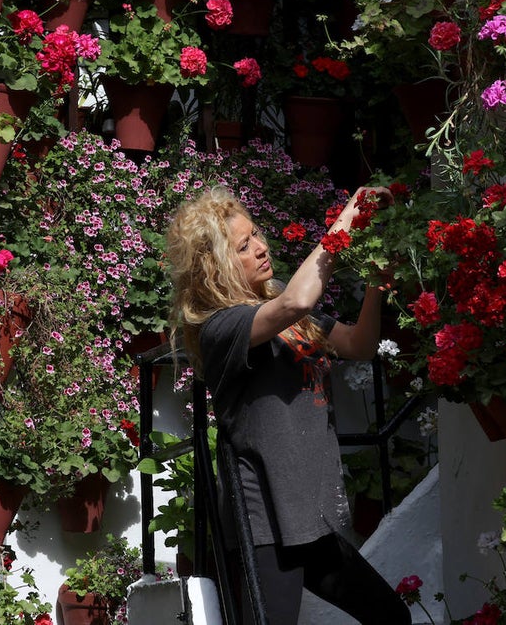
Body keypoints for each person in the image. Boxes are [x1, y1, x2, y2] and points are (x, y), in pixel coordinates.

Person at [166, 184, 410, 625]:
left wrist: (377, 280)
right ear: (216, 267)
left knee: (392, 617)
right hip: (265, 523)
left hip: (307, 517)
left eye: (256, 234)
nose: (261, 247)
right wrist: (348, 218)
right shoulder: (222, 327)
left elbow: (358, 345)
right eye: (243, 246)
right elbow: (298, 299)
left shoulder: (283, 311)